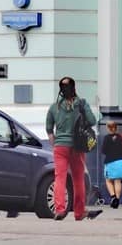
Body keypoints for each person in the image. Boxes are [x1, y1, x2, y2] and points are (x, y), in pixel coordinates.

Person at [43, 76, 102, 222]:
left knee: (60, 178)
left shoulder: (54, 107)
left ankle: (60, 209)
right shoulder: (81, 104)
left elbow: (49, 130)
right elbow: (92, 121)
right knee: (78, 180)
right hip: (77, 147)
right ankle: (79, 212)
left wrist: (56, 143)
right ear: (74, 88)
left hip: (60, 147)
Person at [101, 120, 122, 210]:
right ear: (116, 127)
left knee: (108, 180)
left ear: (108, 128)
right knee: (118, 181)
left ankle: (113, 197)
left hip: (110, 162)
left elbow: (104, 151)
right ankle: (117, 200)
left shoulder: (107, 138)